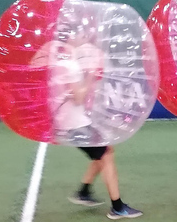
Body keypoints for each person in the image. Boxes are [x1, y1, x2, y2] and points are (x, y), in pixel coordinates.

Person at [47, 17, 143, 220]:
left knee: (105, 150)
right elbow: (79, 97)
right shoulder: (71, 65)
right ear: (71, 37)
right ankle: (117, 207)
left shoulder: (59, 62)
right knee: (106, 154)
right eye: (81, 33)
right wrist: (90, 76)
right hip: (75, 123)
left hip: (68, 121)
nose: (85, 37)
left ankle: (84, 191)